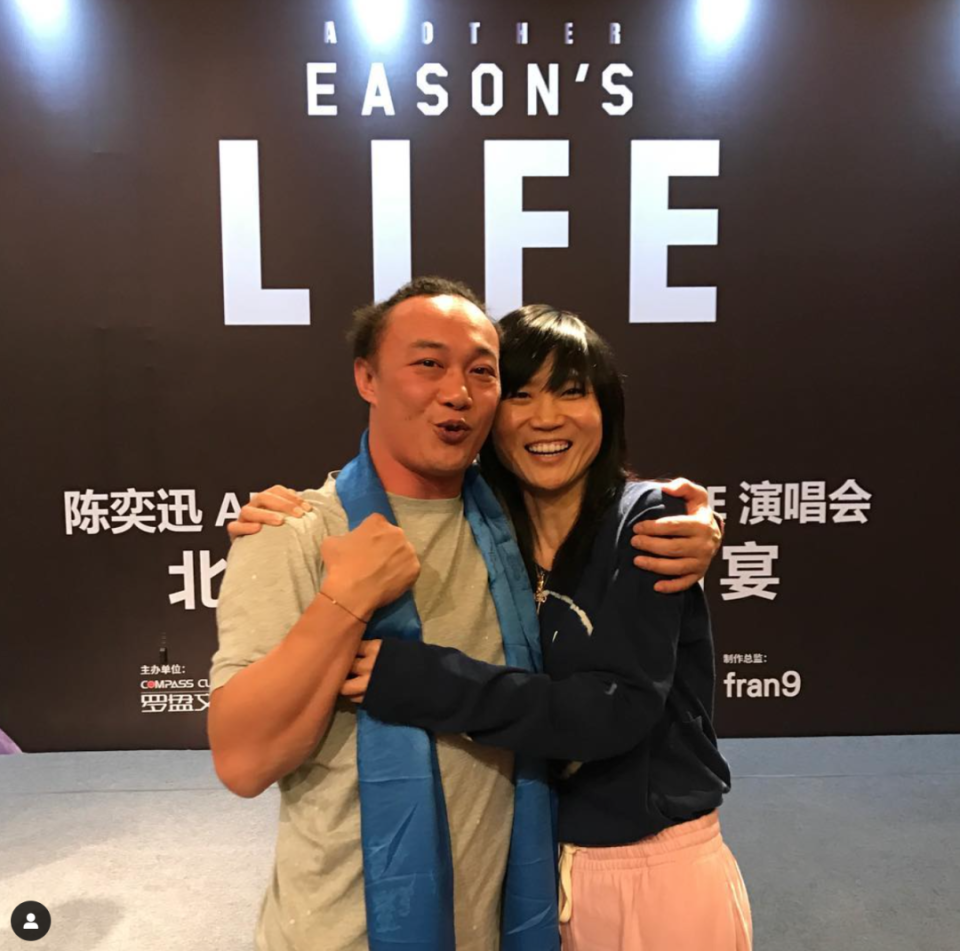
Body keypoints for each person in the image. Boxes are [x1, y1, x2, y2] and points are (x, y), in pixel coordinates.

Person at [213, 278, 724, 951]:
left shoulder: (507, 527)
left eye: (482, 372)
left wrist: (698, 523)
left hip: (512, 920)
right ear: (367, 377)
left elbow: (607, 698)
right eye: (428, 363)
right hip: (343, 932)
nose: (457, 391)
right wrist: (344, 600)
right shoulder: (300, 533)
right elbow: (243, 764)